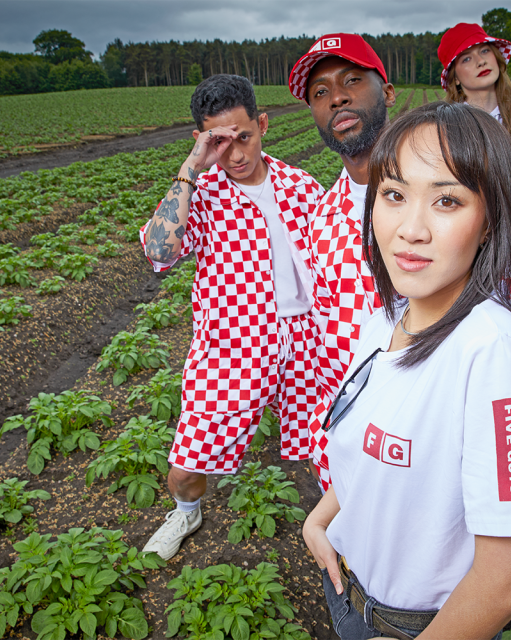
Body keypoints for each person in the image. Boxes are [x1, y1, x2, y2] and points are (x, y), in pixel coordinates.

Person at [303, 101, 511, 639]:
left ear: (490, 221)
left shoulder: (492, 354)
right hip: (350, 592)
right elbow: (374, 445)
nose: (410, 229)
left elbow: (509, 574)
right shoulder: (383, 319)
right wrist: (320, 519)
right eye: (393, 195)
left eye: (446, 200)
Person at [138, 74, 325, 561]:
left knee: (330, 450)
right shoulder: (200, 196)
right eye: (219, 143)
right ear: (201, 142)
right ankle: (185, 510)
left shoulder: (301, 186)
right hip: (232, 346)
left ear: (262, 124)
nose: (236, 154)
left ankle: (348, 529)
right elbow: (159, 252)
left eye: (245, 136)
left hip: (309, 339)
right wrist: (189, 172)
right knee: (185, 465)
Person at [288, 34, 396, 490]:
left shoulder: (437, 190)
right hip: (348, 419)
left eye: (352, 80)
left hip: (418, 420)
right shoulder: (323, 214)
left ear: (387, 92)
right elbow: (324, 328)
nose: (337, 97)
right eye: (320, 92)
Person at [438, 22, 511, 173]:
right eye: (466, 59)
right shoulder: (446, 126)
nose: (481, 61)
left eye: (485, 50)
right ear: (455, 78)